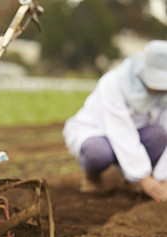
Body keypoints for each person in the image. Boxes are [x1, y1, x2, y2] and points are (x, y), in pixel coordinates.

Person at [63, 40, 167, 202]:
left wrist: (164, 178)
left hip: (139, 133)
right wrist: (143, 177)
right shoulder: (115, 82)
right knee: (98, 152)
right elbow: (120, 130)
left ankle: (129, 181)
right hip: (98, 132)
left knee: (159, 135)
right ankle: (92, 175)